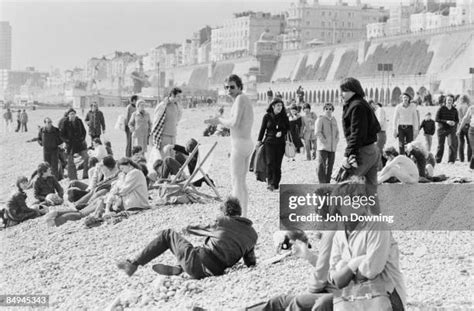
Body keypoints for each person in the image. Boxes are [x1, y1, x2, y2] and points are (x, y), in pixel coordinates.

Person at [116, 197, 257, 279]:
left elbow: (201, 229)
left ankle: (133, 264)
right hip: (215, 271)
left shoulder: (223, 221)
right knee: (198, 249)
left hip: (197, 264)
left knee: (167, 235)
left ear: (226, 212)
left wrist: (185, 229)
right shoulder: (252, 235)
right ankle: (179, 267)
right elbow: (250, 261)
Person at [328, 182, 406, 311]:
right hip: (354, 298)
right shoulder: (339, 235)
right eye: (352, 198)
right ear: (339, 206)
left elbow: (370, 271)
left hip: (386, 297)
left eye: (361, 196)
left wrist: (345, 268)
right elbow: (336, 280)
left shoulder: (377, 225)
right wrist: (355, 263)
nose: (359, 201)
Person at [208, 75, 254, 217]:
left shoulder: (240, 99)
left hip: (239, 144)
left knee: (236, 181)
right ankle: (244, 214)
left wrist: (219, 120)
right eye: (226, 87)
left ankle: (236, 215)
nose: (229, 90)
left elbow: (234, 123)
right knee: (241, 182)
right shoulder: (242, 100)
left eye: (232, 87)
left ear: (240, 87)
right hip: (245, 143)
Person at [340, 77, 381, 194]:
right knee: (371, 190)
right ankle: (374, 212)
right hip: (372, 150)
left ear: (353, 91)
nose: (341, 94)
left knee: (346, 185)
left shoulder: (357, 106)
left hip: (363, 152)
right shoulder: (361, 103)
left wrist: (347, 154)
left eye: (344, 91)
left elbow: (357, 134)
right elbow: (376, 127)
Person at [257, 98, 290, 191]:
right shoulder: (267, 116)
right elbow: (262, 129)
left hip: (280, 144)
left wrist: (282, 132)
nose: (280, 107)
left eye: (281, 105)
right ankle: (270, 182)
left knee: (277, 164)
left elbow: (288, 128)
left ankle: (276, 183)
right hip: (269, 142)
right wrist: (259, 140)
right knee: (270, 162)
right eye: (278, 105)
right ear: (273, 106)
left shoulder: (284, 117)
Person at [151, 87, 183, 159]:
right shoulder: (162, 106)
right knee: (165, 159)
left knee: (172, 158)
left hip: (173, 136)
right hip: (164, 136)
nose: (180, 98)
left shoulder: (177, 106)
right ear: (172, 95)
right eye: (178, 96)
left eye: (180, 97)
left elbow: (177, 119)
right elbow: (156, 121)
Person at [60, 108, 89, 180]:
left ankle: (85, 174)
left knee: (86, 157)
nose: (72, 115)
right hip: (70, 145)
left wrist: (82, 139)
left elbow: (84, 131)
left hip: (80, 144)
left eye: (73, 114)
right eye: (71, 114)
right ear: (68, 115)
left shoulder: (79, 121)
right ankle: (73, 177)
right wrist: (67, 141)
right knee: (70, 161)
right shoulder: (65, 122)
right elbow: (61, 134)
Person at [315, 103, 339, 184]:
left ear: (332, 110)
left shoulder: (334, 119)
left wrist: (336, 140)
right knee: (322, 165)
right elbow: (318, 132)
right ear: (324, 110)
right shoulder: (321, 119)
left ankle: (327, 182)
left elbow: (337, 132)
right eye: (326, 109)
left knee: (330, 165)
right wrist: (324, 140)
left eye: (330, 109)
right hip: (323, 147)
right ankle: (322, 182)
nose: (328, 110)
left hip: (332, 147)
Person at [435, 94, 459, 163]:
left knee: (451, 144)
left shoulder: (455, 110)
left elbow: (457, 120)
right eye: (448, 100)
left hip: (451, 129)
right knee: (440, 145)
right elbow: (436, 119)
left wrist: (454, 123)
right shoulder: (441, 108)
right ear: (445, 100)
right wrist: (446, 121)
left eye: (451, 100)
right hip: (441, 129)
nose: (449, 101)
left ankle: (451, 160)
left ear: (453, 101)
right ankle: (438, 160)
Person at [371, 101, 388, 169]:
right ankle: (380, 167)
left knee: (378, 152)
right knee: (379, 151)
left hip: (380, 133)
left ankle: (379, 168)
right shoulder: (378, 110)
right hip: (380, 133)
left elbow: (380, 122)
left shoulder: (379, 110)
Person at [457, 103, 474, 170]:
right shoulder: (471, 108)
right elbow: (464, 119)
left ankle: (472, 167)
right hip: (472, 131)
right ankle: (472, 167)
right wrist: (459, 129)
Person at [457, 95, 471, 163]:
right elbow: (468, 117)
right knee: (469, 143)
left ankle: (461, 159)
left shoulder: (458, 107)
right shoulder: (468, 107)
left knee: (461, 143)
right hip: (468, 125)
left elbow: (458, 118)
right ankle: (469, 158)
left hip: (460, 125)